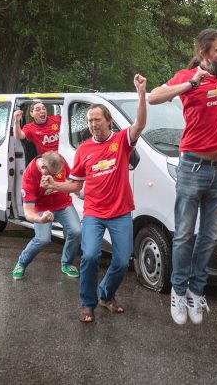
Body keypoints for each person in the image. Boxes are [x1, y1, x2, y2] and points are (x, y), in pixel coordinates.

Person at [148, 0, 217, 325]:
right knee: (184, 234)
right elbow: (152, 96)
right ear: (204, 54)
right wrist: (190, 83)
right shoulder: (187, 77)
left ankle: (196, 291)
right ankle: (177, 291)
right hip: (192, 167)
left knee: (210, 235)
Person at [44, 74, 147, 323]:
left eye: (97, 119)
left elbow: (140, 125)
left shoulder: (121, 140)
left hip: (121, 212)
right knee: (89, 256)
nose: (92, 124)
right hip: (94, 213)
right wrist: (56, 185)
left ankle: (106, 295)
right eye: (89, 121)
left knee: (122, 261)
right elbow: (77, 183)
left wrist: (141, 93)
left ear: (108, 121)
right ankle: (88, 303)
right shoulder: (84, 150)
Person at [10, 151, 81, 280]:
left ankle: (67, 263)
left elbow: (71, 180)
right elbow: (28, 212)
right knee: (43, 239)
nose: (55, 177)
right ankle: (21, 263)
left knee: (76, 232)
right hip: (42, 208)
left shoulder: (58, 160)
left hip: (64, 204)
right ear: (43, 167)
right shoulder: (29, 176)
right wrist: (40, 219)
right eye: (53, 174)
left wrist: (79, 193)